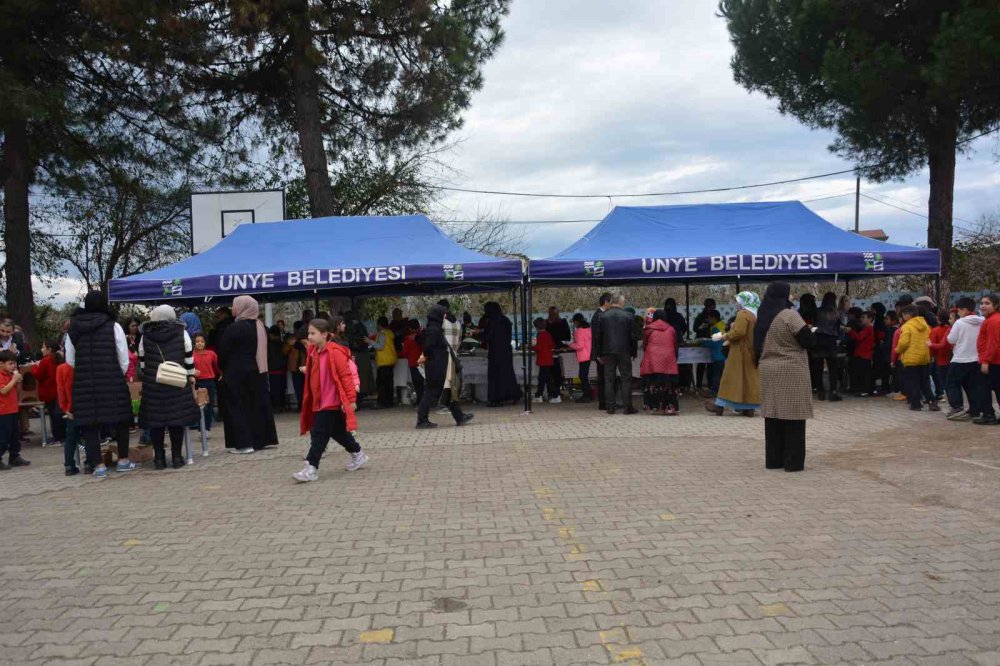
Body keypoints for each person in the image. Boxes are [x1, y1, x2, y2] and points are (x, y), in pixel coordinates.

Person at [64, 291, 136, 478]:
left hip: (84, 382)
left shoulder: (73, 328)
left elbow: (70, 360)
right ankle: (123, 460)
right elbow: (123, 357)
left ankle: (98, 466)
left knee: (89, 424)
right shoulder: (114, 326)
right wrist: (116, 373)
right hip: (112, 379)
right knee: (120, 420)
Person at [293, 318, 368, 482]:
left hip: (330, 402)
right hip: (321, 401)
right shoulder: (314, 352)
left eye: (313, 333)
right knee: (339, 432)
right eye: (309, 333)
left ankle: (311, 467)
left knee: (319, 435)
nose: (310, 337)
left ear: (324, 334)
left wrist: (351, 400)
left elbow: (346, 376)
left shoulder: (335, 352)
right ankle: (358, 453)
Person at [755, 282, 815, 472]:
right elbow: (807, 340)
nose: (792, 298)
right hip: (790, 371)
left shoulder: (762, 316)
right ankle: (792, 462)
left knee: (773, 417)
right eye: (790, 294)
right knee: (793, 417)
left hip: (767, 370)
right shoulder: (789, 315)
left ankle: (773, 461)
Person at [138, 305, 200, 470]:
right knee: (176, 421)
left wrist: (152, 374)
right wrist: (190, 375)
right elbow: (189, 359)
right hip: (177, 383)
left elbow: (143, 364)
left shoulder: (145, 336)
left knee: (156, 422)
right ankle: (177, 457)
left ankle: (159, 459)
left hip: (153, 384)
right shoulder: (182, 332)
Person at [219, 295, 276, 453]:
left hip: (236, 374)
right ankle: (260, 440)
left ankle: (244, 444)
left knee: (238, 407)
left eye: (234, 305)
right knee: (256, 405)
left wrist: (222, 368)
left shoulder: (234, 328)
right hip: (258, 372)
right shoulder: (261, 327)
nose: (232, 308)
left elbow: (223, 351)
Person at [416, 305, 475, 428]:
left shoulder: (435, 328)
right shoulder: (433, 330)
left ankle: (459, 417)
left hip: (440, 365)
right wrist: (427, 357)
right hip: (436, 366)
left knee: (448, 391)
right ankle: (422, 420)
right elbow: (428, 348)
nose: (444, 316)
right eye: (442, 314)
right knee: (431, 392)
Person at [709, 291, 761, 417]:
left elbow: (739, 332)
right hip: (750, 352)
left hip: (739, 352)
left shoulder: (742, 314)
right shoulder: (753, 315)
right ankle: (748, 408)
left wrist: (723, 336)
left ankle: (719, 406)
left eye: (738, 301)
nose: (737, 304)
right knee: (747, 380)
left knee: (729, 379)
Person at [945, 297, 984, 421]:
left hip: (960, 358)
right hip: (976, 358)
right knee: (972, 385)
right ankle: (975, 409)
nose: (958, 313)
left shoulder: (959, 323)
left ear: (965, 310)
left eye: (959, 310)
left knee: (951, 382)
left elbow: (950, 339)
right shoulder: (982, 321)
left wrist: (952, 326)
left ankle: (956, 407)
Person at [479, 302, 522, 406]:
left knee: (495, 376)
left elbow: (489, 336)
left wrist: (479, 334)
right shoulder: (505, 320)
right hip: (506, 351)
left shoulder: (493, 321)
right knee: (507, 374)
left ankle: (496, 399)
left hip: (496, 351)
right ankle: (513, 395)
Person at [600, 293, 637, 415]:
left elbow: (598, 336)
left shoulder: (603, 316)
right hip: (624, 351)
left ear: (611, 302)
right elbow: (633, 336)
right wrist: (634, 351)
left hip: (607, 351)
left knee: (609, 379)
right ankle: (628, 407)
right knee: (626, 378)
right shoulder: (629, 316)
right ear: (621, 302)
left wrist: (599, 353)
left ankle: (610, 407)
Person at [896, 304, 937, 412]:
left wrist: (897, 350)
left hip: (911, 359)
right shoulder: (926, 326)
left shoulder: (906, 326)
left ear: (907, 315)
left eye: (903, 315)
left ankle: (916, 404)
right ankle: (932, 402)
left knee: (913, 382)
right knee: (925, 382)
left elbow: (904, 342)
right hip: (924, 358)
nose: (903, 317)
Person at [640, 310, 679, 415]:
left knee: (652, 381)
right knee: (668, 383)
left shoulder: (648, 329)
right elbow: (675, 345)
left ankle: (653, 406)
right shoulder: (671, 329)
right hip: (668, 359)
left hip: (652, 358)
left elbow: (645, 345)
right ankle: (669, 407)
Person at [0, 350, 29, 470]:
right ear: (1, 363)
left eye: (14, 363)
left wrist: (17, 382)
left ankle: (14, 456)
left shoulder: (11, 375)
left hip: (13, 409)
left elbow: (14, 391)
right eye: (10, 363)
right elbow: (3, 391)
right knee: (3, 436)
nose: (13, 366)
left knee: (14, 435)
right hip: (3, 411)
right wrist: (13, 380)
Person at [812, 292, 842, 402]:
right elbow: (837, 328)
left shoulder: (817, 311)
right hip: (831, 341)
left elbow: (814, 325)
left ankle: (821, 392)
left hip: (818, 340)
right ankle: (833, 392)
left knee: (818, 368)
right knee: (833, 369)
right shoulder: (836, 313)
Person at [975, 294, 1000, 425]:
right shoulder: (991, 319)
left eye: (987, 303)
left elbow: (993, 343)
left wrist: (985, 361)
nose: (983, 305)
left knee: (984, 389)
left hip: (992, 362)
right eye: (982, 303)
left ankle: (988, 415)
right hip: (994, 360)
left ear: (995, 306)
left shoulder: (993, 321)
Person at [34, 339, 65, 446]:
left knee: (54, 416)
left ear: (49, 349)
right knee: (59, 415)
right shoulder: (58, 359)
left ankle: (57, 438)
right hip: (58, 391)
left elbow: (38, 375)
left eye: (43, 347)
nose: (42, 349)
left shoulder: (45, 360)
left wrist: (34, 367)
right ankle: (61, 437)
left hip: (49, 392)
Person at [193, 333, 221, 432]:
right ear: (194, 343)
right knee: (200, 407)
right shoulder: (191, 356)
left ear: (205, 342)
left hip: (210, 382)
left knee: (209, 407)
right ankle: (201, 429)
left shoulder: (211, 354)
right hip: (197, 383)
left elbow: (218, 366)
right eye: (197, 342)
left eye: (202, 341)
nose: (199, 343)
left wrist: (221, 373)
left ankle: (207, 429)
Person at [438, 300, 463, 413]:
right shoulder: (457, 323)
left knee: (444, 381)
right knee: (452, 380)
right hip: (454, 354)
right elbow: (459, 341)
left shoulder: (441, 323)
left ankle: (442, 404)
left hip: (444, 355)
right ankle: (449, 403)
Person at [344, 311, 375, 400]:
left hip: (356, 353)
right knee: (362, 376)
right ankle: (361, 394)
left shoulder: (351, 327)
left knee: (357, 376)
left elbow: (353, 341)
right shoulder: (361, 326)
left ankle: (358, 396)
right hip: (362, 354)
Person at [56, 357, 79, 475]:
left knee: (70, 438)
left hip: (71, 407)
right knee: (90, 434)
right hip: (86, 406)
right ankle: (90, 463)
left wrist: (65, 408)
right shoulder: (84, 365)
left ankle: (69, 465)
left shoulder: (61, 368)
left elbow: (60, 390)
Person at [591, 292, 612, 410]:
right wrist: (598, 354)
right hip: (602, 353)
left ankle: (605, 402)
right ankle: (603, 403)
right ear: (606, 302)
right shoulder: (599, 316)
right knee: (603, 378)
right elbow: (597, 336)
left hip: (602, 352)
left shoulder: (600, 315)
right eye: (610, 302)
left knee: (605, 378)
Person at [532, 318, 560, 404]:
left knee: (542, 379)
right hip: (548, 359)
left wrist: (531, 347)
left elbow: (539, 348)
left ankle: (541, 396)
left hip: (543, 360)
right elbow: (552, 345)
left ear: (536, 327)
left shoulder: (540, 335)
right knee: (547, 379)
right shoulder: (548, 334)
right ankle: (552, 395)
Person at [846, 311, 875, 396]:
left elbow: (859, 337)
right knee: (866, 373)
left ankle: (865, 390)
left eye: (863, 317)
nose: (861, 319)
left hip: (864, 354)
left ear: (870, 319)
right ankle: (868, 390)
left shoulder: (868, 328)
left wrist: (850, 331)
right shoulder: (868, 328)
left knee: (865, 374)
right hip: (864, 354)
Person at [371, 316, 397, 408]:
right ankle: (389, 401)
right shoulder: (390, 333)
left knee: (381, 383)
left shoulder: (382, 334)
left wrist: (370, 341)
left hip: (383, 361)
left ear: (379, 325)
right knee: (389, 383)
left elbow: (380, 346)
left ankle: (382, 402)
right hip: (391, 360)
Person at [927, 308, 952, 401]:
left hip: (940, 359)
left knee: (945, 382)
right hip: (952, 358)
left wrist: (931, 356)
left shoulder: (936, 330)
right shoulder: (952, 328)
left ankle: (953, 403)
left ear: (938, 319)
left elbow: (932, 346)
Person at [693, 298, 717, 390]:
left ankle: (704, 384)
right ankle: (704, 384)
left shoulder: (714, 316)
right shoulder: (701, 317)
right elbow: (695, 329)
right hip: (704, 343)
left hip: (710, 343)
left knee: (705, 365)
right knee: (704, 364)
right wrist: (703, 327)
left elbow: (721, 329)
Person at [567, 313, 592, 403]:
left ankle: (587, 395)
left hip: (583, 355)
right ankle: (588, 394)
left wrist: (570, 344)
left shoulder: (579, 331)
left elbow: (579, 346)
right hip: (589, 354)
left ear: (576, 322)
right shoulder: (588, 329)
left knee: (582, 376)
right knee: (584, 376)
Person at [400, 319, 425, 406]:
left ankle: (420, 400)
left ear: (410, 328)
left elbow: (405, 352)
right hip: (424, 361)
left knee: (417, 383)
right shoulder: (423, 336)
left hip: (413, 362)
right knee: (423, 382)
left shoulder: (408, 338)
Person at [702, 310, 726, 394]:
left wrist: (703, 342)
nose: (708, 320)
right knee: (720, 374)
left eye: (709, 318)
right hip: (723, 354)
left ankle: (715, 390)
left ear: (713, 318)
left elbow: (714, 342)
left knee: (716, 374)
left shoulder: (716, 328)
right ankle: (721, 390)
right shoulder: (723, 325)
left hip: (717, 354)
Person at [266, 325, 288, 412]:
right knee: (282, 388)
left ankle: (276, 406)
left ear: (271, 334)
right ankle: (282, 405)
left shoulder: (270, 344)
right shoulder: (282, 343)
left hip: (273, 369)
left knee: (274, 389)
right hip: (282, 368)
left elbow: (269, 356)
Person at [286, 328, 308, 410]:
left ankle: (303, 405)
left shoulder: (302, 344)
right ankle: (301, 405)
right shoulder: (292, 345)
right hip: (295, 368)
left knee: (302, 388)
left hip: (303, 367)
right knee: (298, 388)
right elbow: (285, 351)